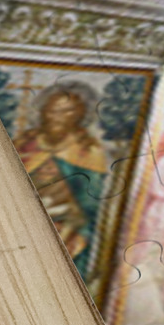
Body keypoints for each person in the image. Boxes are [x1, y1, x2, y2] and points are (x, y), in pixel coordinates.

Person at [14, 84, 108, 279]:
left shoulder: (87, 150)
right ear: (43, 112)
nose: (57, 117)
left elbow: (90, 204)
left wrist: (72, 219)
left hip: (63, 227)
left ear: (80, 115)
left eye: (67, 111)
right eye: (52, 110)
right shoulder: (24, 143)